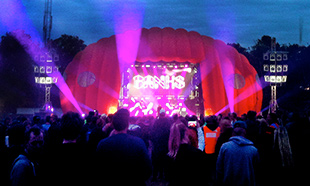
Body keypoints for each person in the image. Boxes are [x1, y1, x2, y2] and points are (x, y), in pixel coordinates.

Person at [96, 109, 152, 185]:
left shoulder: (103, 144)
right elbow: (147, 170)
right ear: (127, 125)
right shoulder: (138, 143)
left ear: (113, 124)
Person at [216, 121, 260, 186]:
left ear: (233, 132)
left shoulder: (225, 147)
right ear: (245, 132)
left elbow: (219, 168)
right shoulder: (253, 149)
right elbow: (257, 170)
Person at [150, 108, 171, 181]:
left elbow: (152, 132)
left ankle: (155, 176)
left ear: (159, 114)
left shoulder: (156, 122)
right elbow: (169, 132)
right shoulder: (168, 122)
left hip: (157, 143)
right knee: (165, 160)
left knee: (156, 160)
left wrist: (153, 141)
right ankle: (164, 176)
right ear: (164, 114)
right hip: (165, 143)